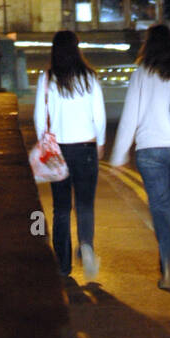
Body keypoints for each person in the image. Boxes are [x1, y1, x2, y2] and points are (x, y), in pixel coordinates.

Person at [110, 23, 170, 288]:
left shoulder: (141, 74)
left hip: (150, 150)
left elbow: (131, 116)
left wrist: (119, 155)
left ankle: (169, 259)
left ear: (148, 45)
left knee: (159, 206)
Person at [34, 30, 106, 279]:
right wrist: (100, 143)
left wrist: (45, 142)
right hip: (85, 148)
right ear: (77, 49)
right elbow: (100, 116)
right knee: (85, 204)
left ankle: (63, 265)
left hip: (58, 150)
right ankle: (86, 245)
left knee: (61, 208)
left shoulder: (47, 78)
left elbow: (39, 119)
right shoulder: (90, 78)